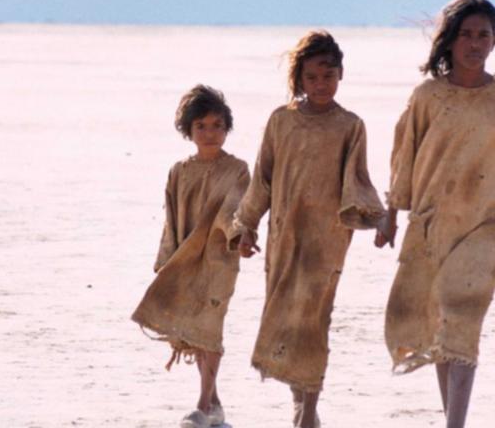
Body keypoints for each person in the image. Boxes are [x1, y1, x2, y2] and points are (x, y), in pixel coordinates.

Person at [375, 0, 495, 428]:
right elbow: (405, 155)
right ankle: (452, 420)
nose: (474, 44)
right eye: (466, 35)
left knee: (462, 321)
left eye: (483, 35)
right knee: (443, 325)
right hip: (434, 223)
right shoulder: (427, 96)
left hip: (487, 226)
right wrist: (391, 213)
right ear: (450, 40)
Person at [231, 30, 384, 428]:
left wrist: (378, 217)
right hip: (285, 234)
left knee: (315, 319)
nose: (321, 84)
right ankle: (302, 403)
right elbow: (263, 179)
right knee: (286, 316)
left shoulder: (350, 126)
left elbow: (359, 179)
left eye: (329, 75)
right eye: (313, 77)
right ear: (299, 78)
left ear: (341, 75)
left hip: (327, 239)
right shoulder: (282, 121)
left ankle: (308, 411)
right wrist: (246, 225)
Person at [132, 85, 250, 428]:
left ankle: (201, 405)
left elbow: (237, 209)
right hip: (185, 259)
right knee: (195, 329)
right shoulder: (179, 171)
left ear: (227, 127)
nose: (210, 133)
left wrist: (240, 236)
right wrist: (166, 260)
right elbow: (171, 217)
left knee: (210, 326)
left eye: (217, 125)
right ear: (188, 131)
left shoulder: (238, 169)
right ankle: (214, 405)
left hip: (219, 260)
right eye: (201, 126)